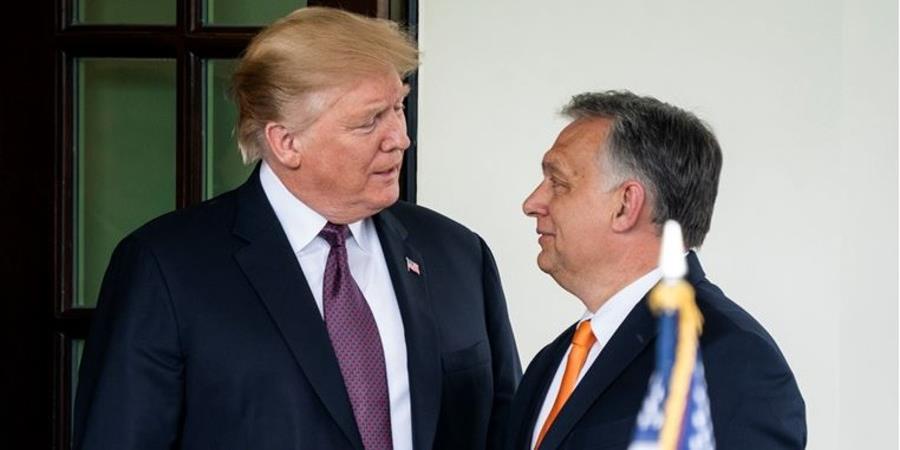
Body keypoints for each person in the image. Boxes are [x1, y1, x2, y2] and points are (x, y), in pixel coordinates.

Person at [73, 7, 520, 450]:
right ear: (286, 142)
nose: (400, 138)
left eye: (398, 107)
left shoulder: (458, 254)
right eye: (370, 121)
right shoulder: (165, 268)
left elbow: (506, 431)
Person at [505, 91, 806, 449]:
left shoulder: (732, 361)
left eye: (558, 183)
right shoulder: (551, 362)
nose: (532, 203)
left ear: (625, 205)